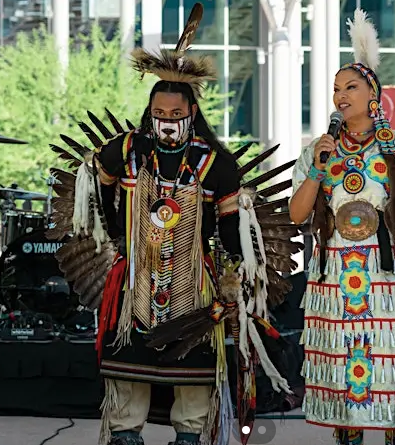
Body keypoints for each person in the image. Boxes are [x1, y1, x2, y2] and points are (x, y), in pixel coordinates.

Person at [45, 4, 299, 445]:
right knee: (127, 376)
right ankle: (125, 434)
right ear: (151, 112)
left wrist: (236, 275)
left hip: (192, 285)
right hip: (133, 286)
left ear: (190, 114)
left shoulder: (213, 165)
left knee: (194, 379)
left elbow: (230, 227)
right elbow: (95, 185)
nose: (166, 122)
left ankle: (189, 436)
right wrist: (113, 227)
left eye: (174, 114)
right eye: (159, 113)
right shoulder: (126, 150)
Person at [289, 9, 395, 445]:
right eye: (336, 89)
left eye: (351, 87)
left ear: (372, 94)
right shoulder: (318, 150)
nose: (340, 96)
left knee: (390, 374)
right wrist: (318, 170)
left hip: (388, 277)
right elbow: (297, 215)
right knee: (345, 377)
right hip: (333, 279)